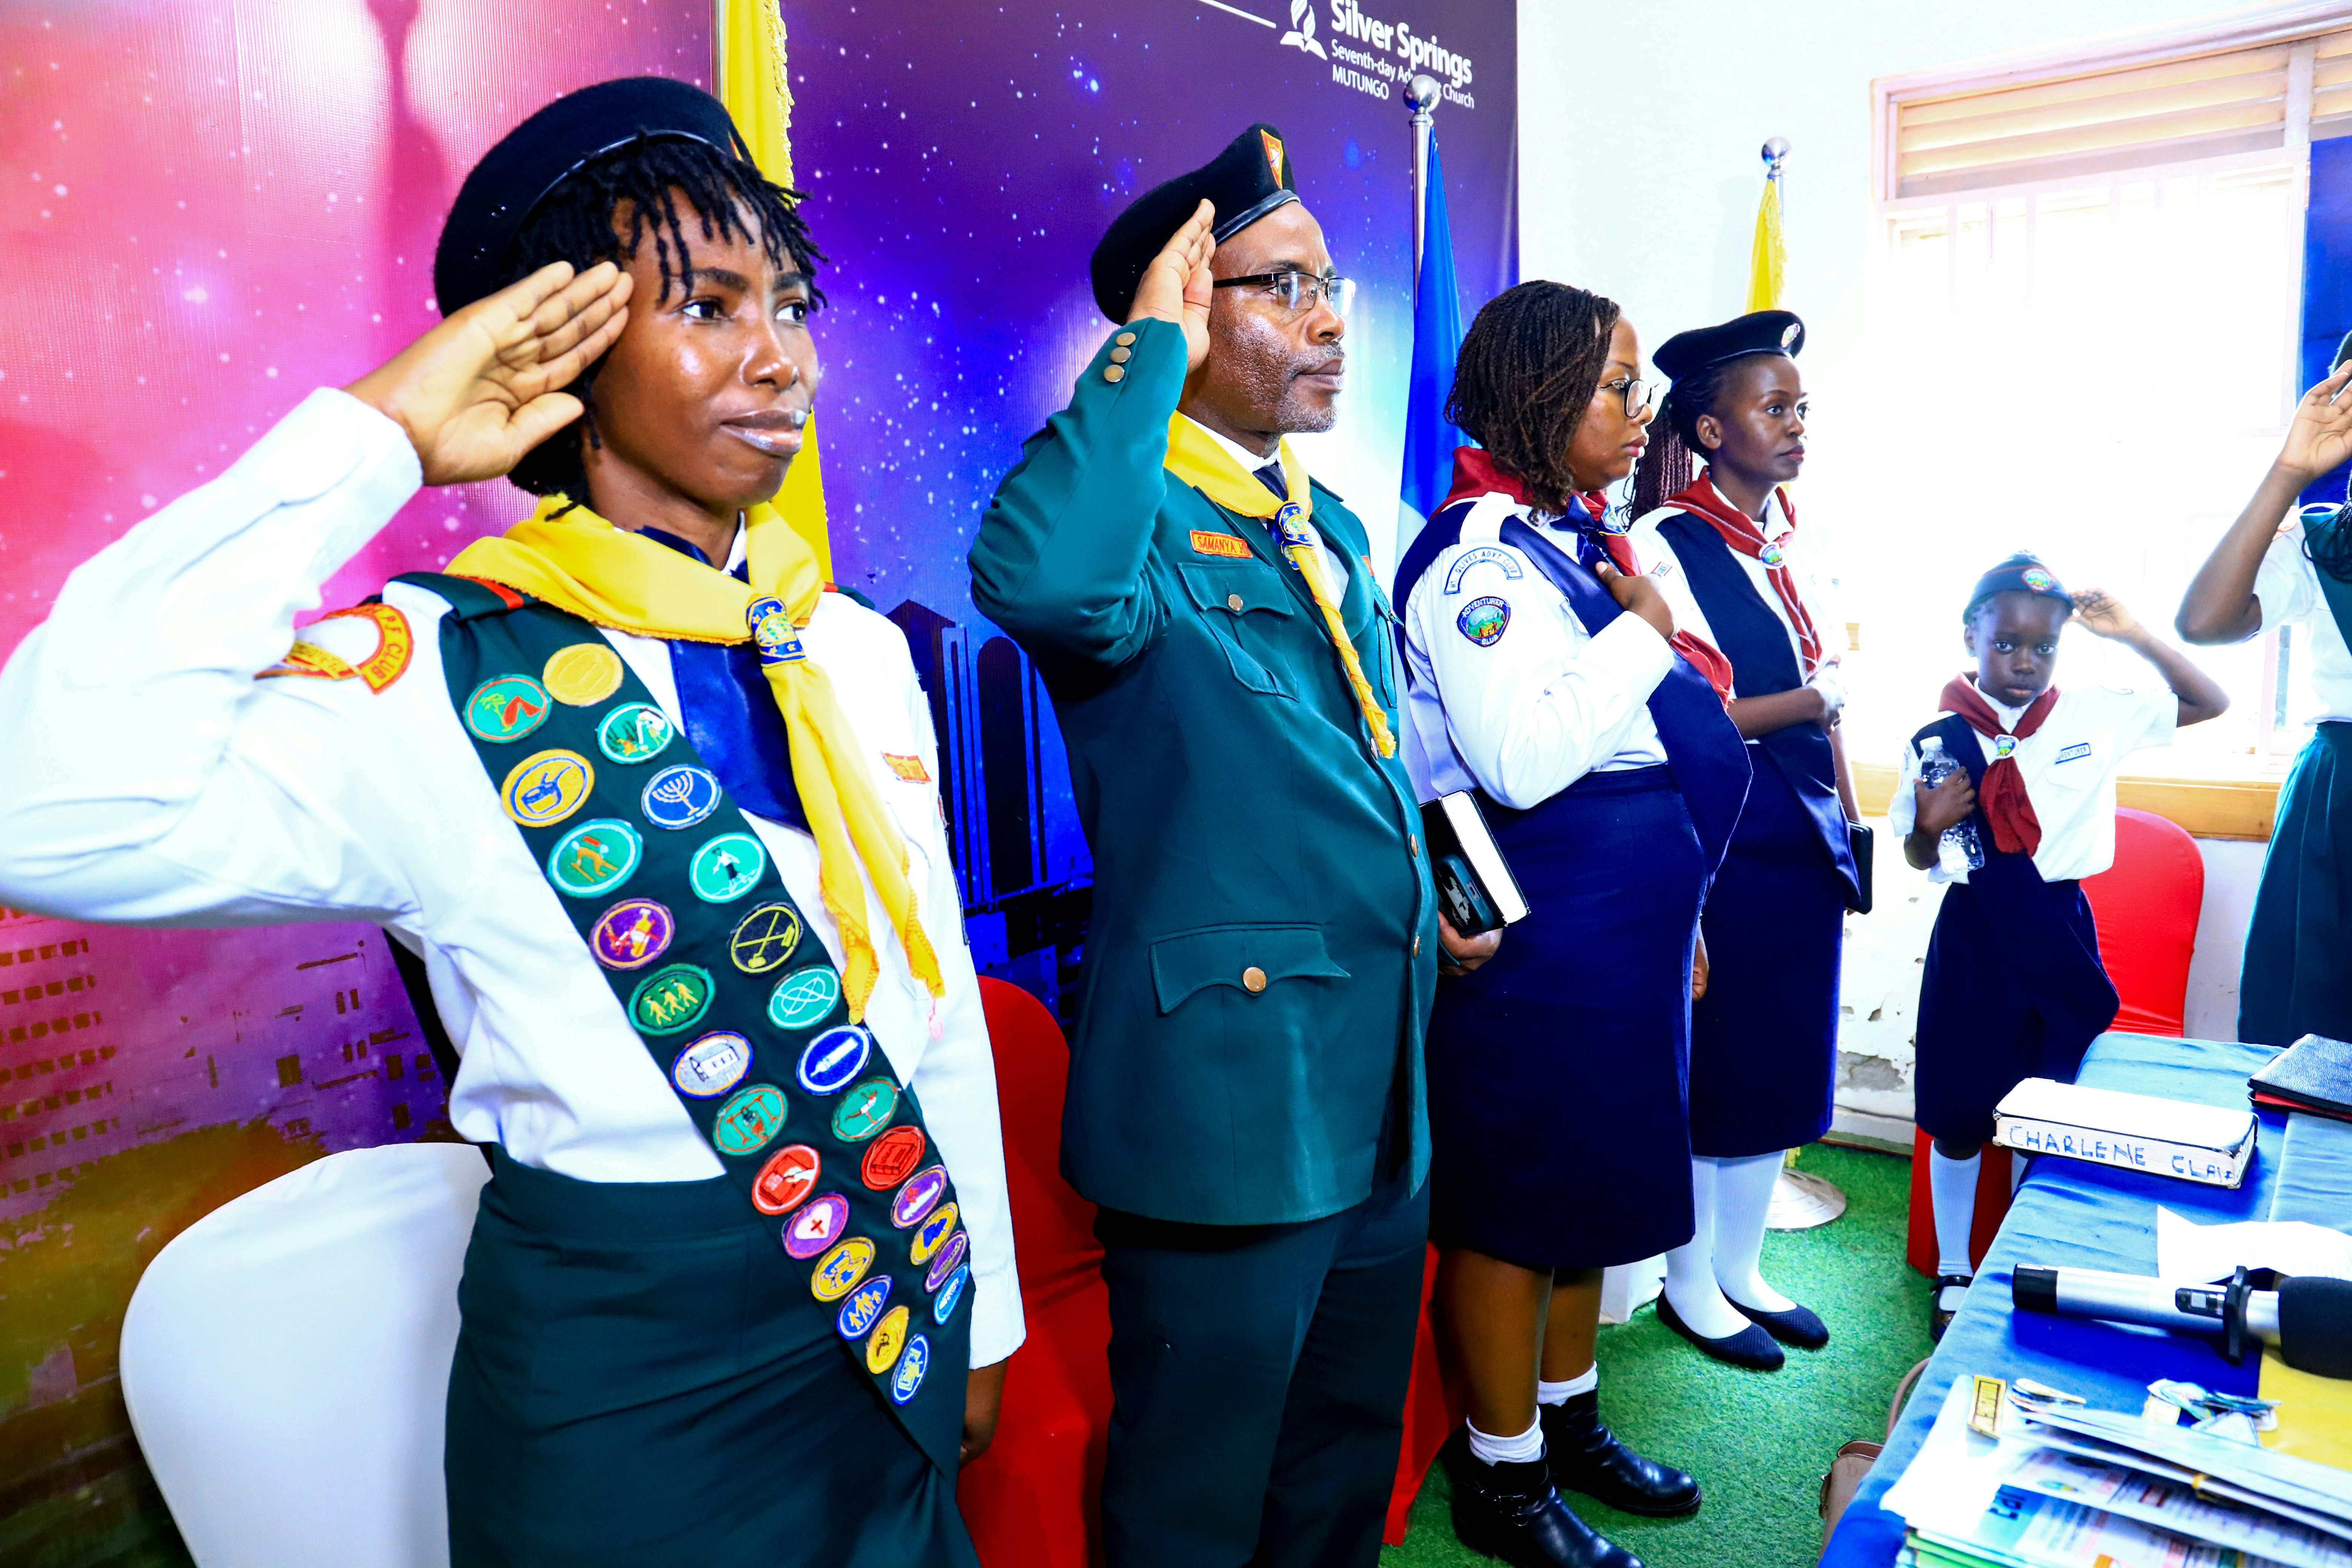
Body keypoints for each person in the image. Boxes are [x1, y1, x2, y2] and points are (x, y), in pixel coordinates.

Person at [0, 78, 1020, 1566]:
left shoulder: (846, 646)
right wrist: (374, 444)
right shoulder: (439, 672)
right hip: (628, 1392)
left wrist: (977, 1299)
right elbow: (44, 798)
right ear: (568, 351)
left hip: (886, 1317)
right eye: (710, 306)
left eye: (787, 303)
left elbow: (930, 1015)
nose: (779, 357)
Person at [969, 124, 1491, 1568]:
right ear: (1185, 315)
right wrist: (1144, 354)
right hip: (1231, 1110)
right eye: (1279, 287)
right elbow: (1045, 586)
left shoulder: (1318, 519)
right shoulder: (1123, 515)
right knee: (1193, 1505)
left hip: (1379, 1084)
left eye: (1332, 283)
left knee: (1338, 1468)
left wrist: (1423, 886)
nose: (1330, 317)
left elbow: (1353, 759)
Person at [1392, 281, 1752, 1568]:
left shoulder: (1562, 535)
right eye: (1616, 380)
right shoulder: (1478, 557)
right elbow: (1530, 757)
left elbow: (1633, 744)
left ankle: (1566, 1423)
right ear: (1543, 394)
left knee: (1594, 1189)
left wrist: (1681, 911)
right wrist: (1646, 633)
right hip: (1541, 923)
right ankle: (1501, 1481)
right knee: (1518, 1207)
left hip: (1624, 919)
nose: (1638, 403)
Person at [1891, 555, 2226, 1338]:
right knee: (1961, 1109)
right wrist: (1926, 823)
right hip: (1974, 934)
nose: (2025, 661)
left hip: (2058, 926)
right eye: (2007, 642)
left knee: (2051, 1106)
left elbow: (2209, 700)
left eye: (2044, 648)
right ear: (1970, 634)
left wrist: (2135, 630)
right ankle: (1954, 1270)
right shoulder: (1936, 737)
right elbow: (1916, 857)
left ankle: (2024, 1260)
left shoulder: (2096, 713)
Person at [1625, 310, 1858, 1371]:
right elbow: (1692, 715)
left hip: (1802, 831)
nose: (1797, 424)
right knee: (1714, 1065)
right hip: (1722, 836)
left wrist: (1843, 804)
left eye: (1801, 406)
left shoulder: (1789, 542)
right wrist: (1810, 701)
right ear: (1711, 430)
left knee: (1780, 1062)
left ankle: (1742, 1267)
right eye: (1774, 407)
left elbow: (1827, 702)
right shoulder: (1668, 542)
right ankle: (1687, 1285)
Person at [2177, 354, 2352, 1048]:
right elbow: (2204, 622)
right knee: (2311, 1028)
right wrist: (2288, 475)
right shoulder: (2322, 543)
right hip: (2337, 803)